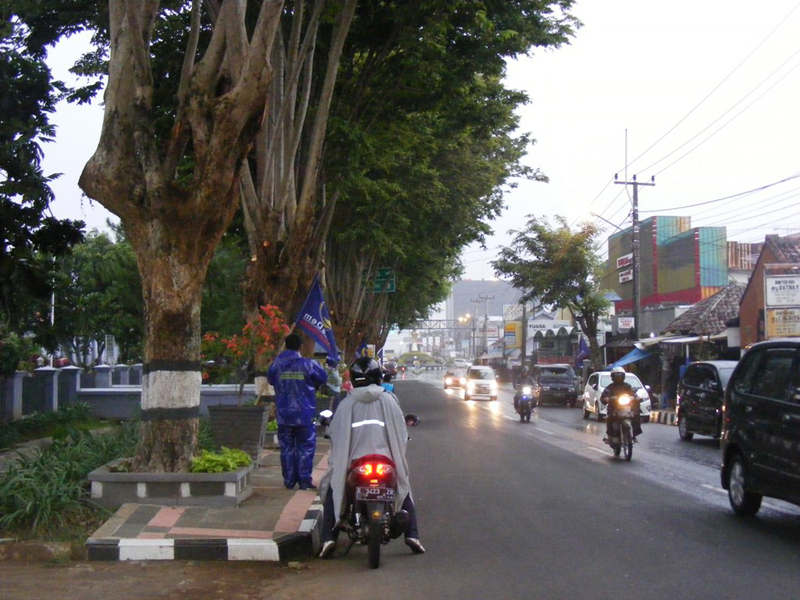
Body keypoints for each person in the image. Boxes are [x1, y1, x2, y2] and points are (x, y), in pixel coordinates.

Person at [318, 356, 425, 559]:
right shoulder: (388, 399)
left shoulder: (347, 403)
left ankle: (327, 539)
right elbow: (401, 432)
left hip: (355, 462)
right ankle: (413, 536)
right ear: (377, 376)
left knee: (334, 486)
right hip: (385, 459)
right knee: (403, 486)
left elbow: (336, 433)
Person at [267, 332, 328, 490]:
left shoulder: (276, 364)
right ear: (301, 347)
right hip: (306, 413)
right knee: (306, 446)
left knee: (286, 447)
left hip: (284, 413)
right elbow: (322, 378)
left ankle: (288, 480)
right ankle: (304, 480)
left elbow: (271, 380)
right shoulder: (309, 364)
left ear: (286, 345)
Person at [600, 366, 643, 441]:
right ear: (612, 377)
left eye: (620, 375)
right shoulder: (610, 387)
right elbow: (604, 396)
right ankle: (610, 436)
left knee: (636, 414)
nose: (618, 377)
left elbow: (633, 394)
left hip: (626, 407)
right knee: (610, 418)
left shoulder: (627, 386)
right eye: (616, 375)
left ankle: (635, 434)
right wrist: (606, 399)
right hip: (614, 408)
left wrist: (637, 398)